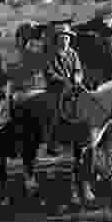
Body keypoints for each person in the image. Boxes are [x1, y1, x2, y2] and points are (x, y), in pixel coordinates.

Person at [43, 23, 84, 156]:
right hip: (56, 88)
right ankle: (52, 142)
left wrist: (77, 78)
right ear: (57, 39)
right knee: (56, 111)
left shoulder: (73, 53)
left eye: (66, 38)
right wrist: (63, 81)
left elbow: (78, 70)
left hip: (73, 87)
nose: (64, 40)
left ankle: (80, 137)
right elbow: (49, 72)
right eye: (61, 38)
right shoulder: (50, 53)